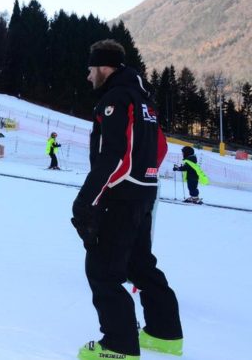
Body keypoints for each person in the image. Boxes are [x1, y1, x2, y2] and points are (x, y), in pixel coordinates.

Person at [72, 39, 183, 359]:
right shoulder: (144, 99)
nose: (88, 75)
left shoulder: (116, 99)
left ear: (104, 66)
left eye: (91, 69)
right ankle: (165, 334)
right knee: (139, 264)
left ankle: (118, 346)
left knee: (102, 269)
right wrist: (144, 177)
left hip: (121, 194)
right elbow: (160, 148)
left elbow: (114, 156)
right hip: (144, 191)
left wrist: (85, 201)